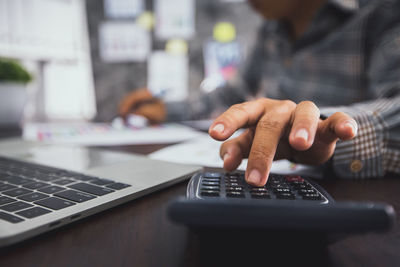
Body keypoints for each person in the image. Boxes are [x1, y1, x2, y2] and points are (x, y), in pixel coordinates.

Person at [119, 0, 400, 186]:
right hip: (279, 185)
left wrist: (328, 128)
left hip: (351, 198)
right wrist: (168, 110)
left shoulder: (383, 13)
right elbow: (233, 96)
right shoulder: (271, 29)